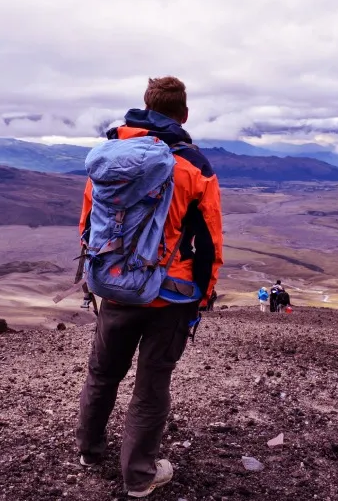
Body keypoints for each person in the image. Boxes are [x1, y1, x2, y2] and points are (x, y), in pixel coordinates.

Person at [76, 76, 223, 498]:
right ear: (185, 114)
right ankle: (139, 476)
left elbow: (89, 222)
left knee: (103, 373)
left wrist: (97, 277)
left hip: (116, 286)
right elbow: (209, 240)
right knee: (151, 384)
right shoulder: (194, 165)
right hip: (171, 293)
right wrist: (205, 293)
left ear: (145, 105)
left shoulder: (110, 156)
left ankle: (89, 450)